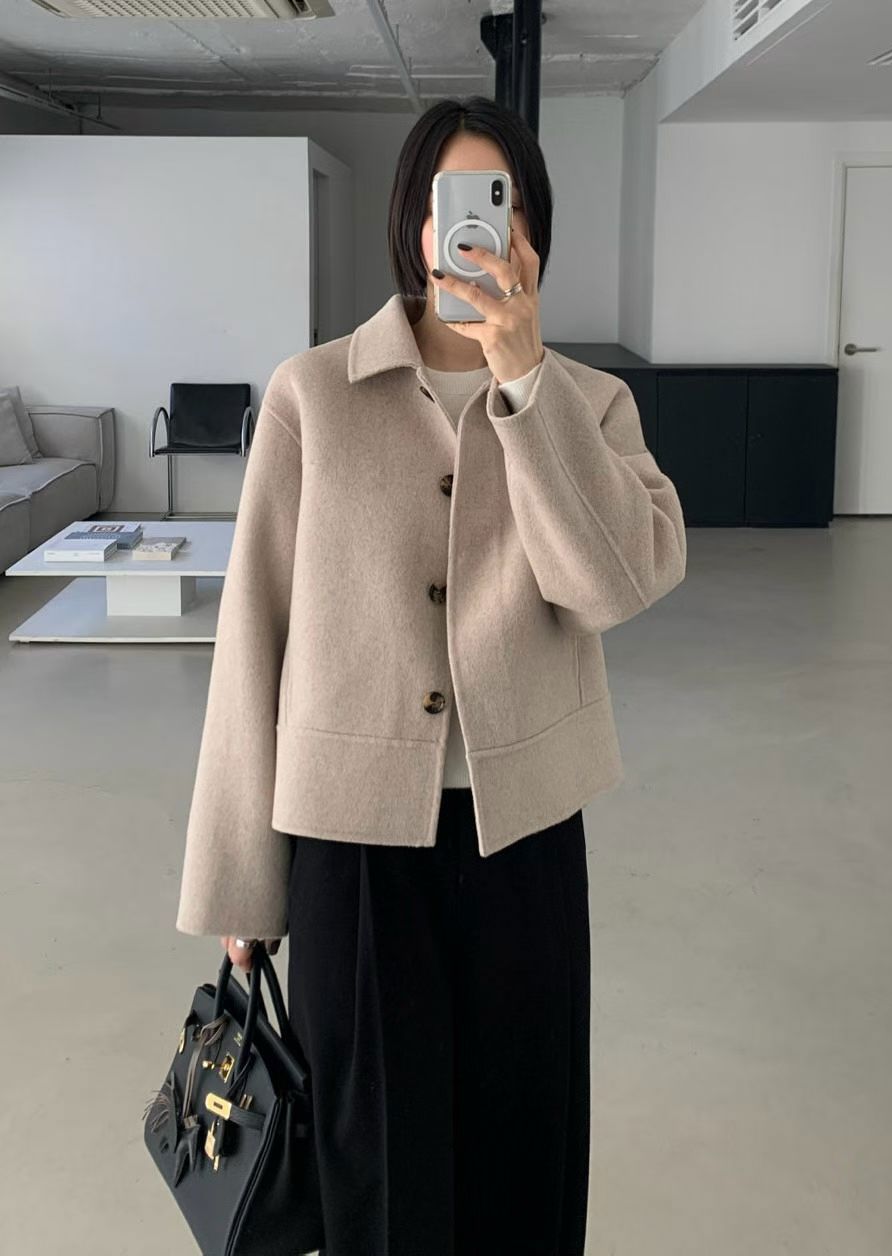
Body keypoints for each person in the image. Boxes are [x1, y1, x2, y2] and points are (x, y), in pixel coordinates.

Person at [177, 94, 687, 1256]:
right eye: (447, 204)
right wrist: (240, 881)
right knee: (377, 1172)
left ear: (528, 231)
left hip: (525, 837)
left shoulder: (589, 402)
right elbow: (253, 633)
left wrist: (528, 385)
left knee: (525, 1152)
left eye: (497, 205)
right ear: (413, 222)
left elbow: (615, 584)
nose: (469, 232)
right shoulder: (312, 394)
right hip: (351, 848)